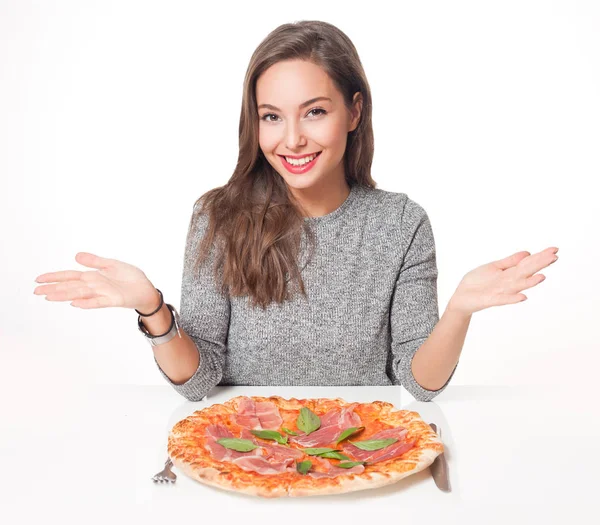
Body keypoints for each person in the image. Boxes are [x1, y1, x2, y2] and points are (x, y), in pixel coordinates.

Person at [33, 20, 559, 403]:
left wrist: (459, 311)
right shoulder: (217, 216)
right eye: (271, 116)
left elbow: (418, 384)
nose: (292, 140)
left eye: (314, 111)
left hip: (363, 448)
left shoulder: (402, 224)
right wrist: (152, 309)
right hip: (245, 444)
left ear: (353, 112)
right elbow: (198, 382)